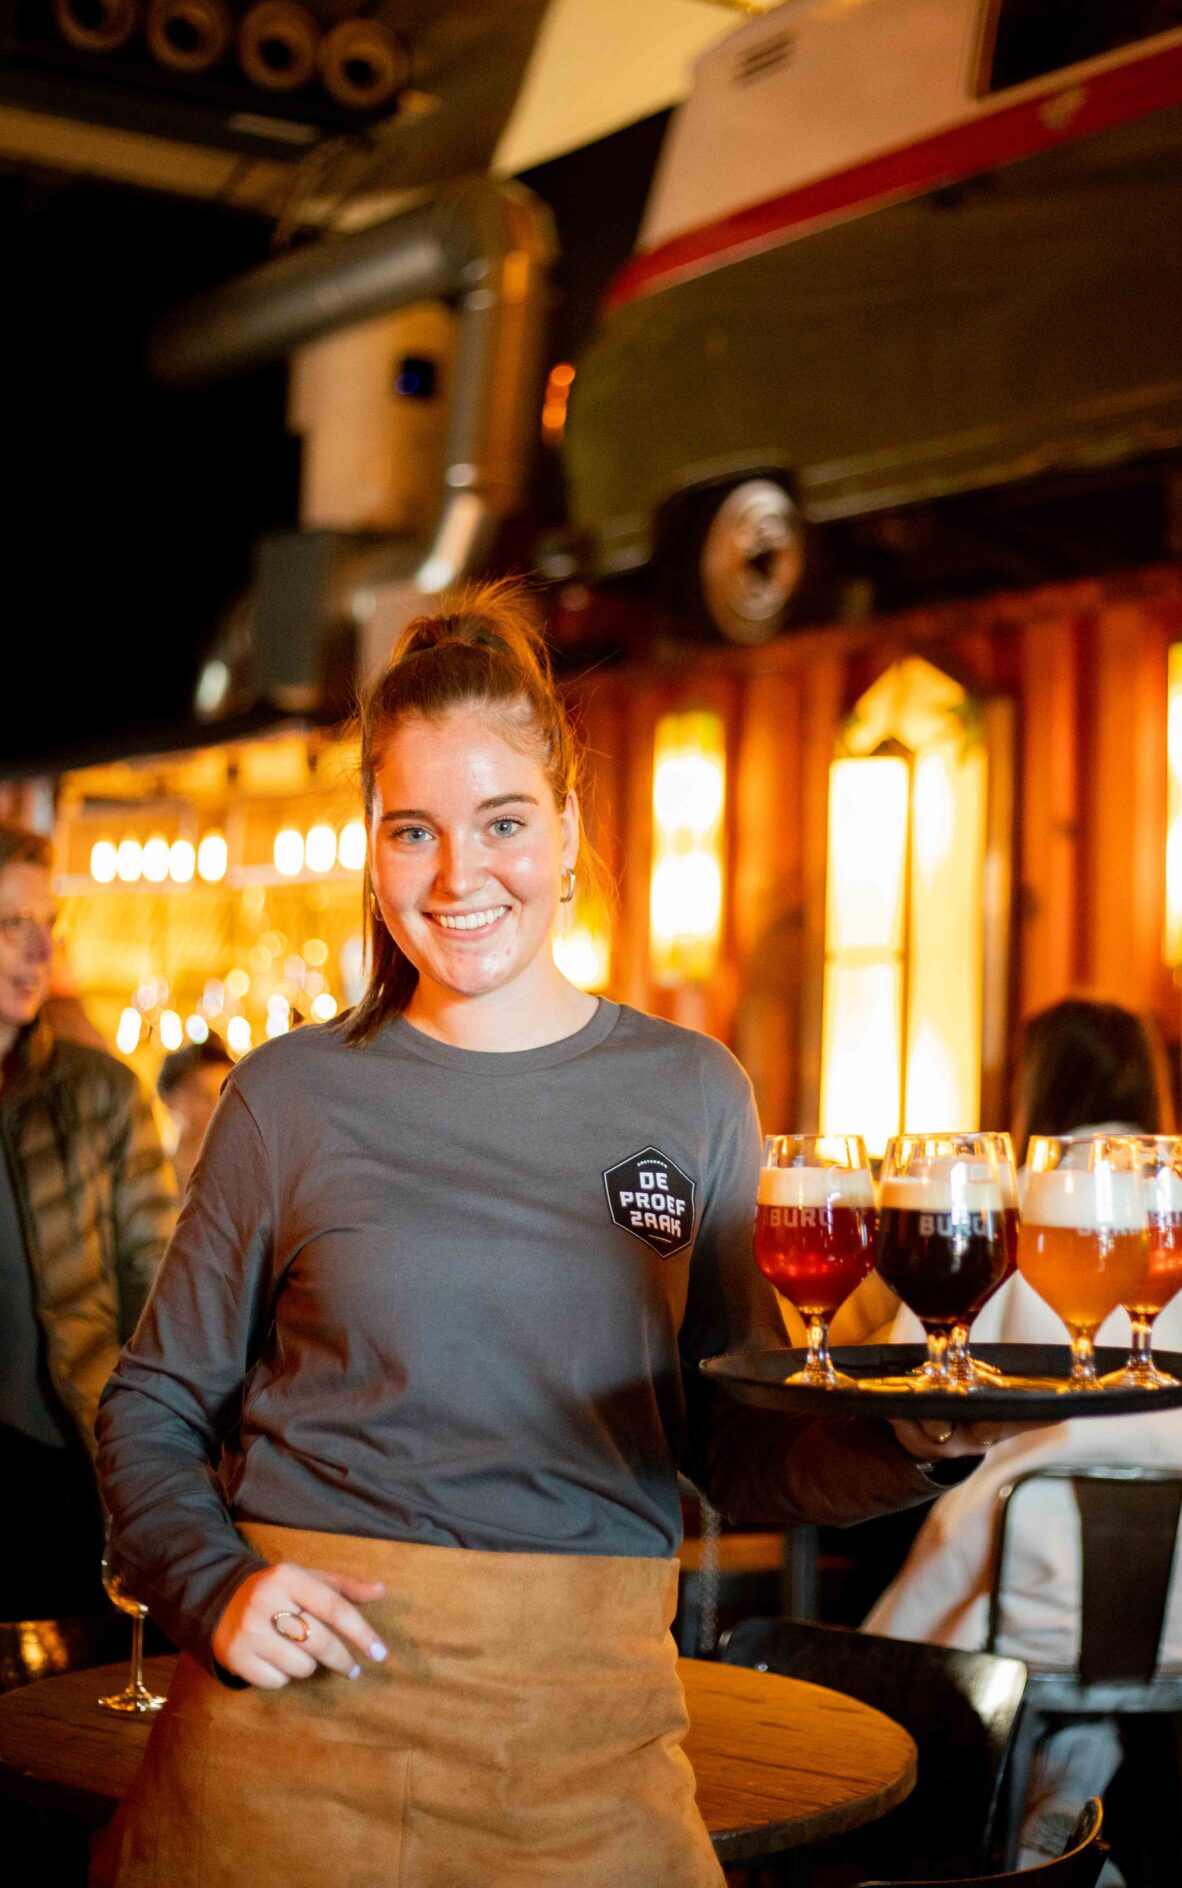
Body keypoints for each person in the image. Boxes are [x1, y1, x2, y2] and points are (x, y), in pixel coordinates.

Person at [94, 583, 1004, 1888]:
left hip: (586, 1741)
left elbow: (732, 1440)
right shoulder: (287, 1096)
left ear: (569, 829)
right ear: (372, 850)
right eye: (413, 830)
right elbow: (151, 1404)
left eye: (503, 821)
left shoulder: (690, 1091)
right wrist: (215, 1588)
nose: (459, 875)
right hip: (288, 1740)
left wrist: (914, 1441)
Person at [864, 997, 1182, 1888]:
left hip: (1020, 1590)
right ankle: (1176, 1846)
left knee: (912, 1645)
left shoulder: (993, 1218)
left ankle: (1042, 1823)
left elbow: (910, 1399)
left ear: (1032, 1088)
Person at [0, 824, 178, 1627]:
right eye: (14, 923)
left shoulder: (100, 1092)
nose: (41, 948)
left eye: (48, 924)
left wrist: (154, 1457)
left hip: (62, 1466)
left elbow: (159, 1288)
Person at [156, 1034, 231, 1196]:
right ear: (169, 1100)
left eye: (225, 1098)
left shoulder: (239, 1177)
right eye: (205, 1096)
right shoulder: (151, 1177)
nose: (217, 1108)